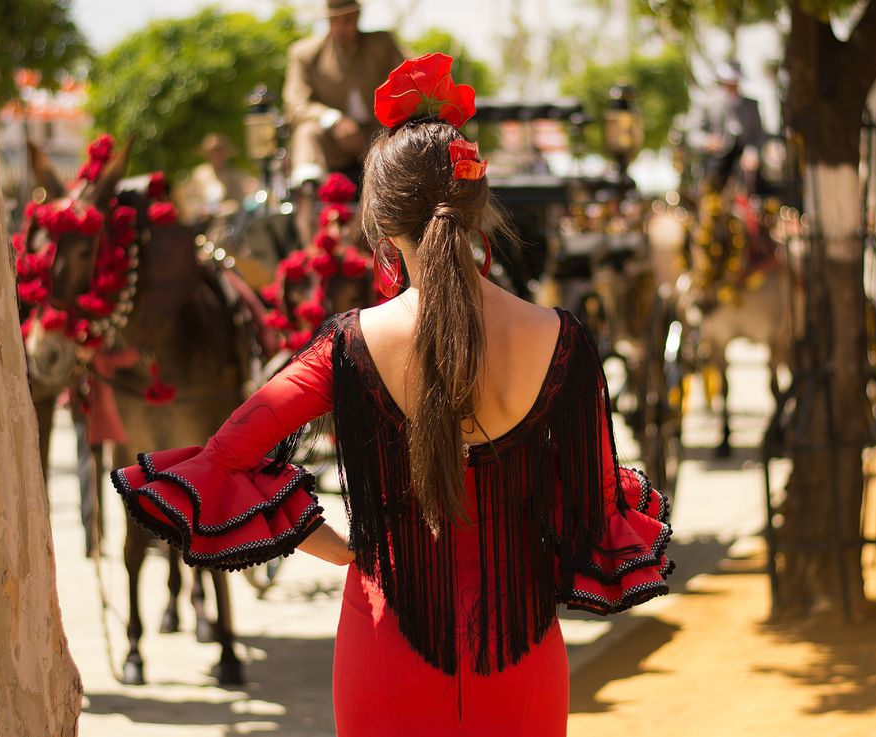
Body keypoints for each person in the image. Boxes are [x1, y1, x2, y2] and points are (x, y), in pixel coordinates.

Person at [111, 54, 673, 735]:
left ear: (378, 223)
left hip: (387, 642)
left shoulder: (349, 344)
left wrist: (339, 548)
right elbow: (592, 506)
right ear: (476, 203)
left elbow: (227, 454)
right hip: (519, 650)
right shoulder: (563, 338)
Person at [282, 0, 404, 186]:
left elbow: (411, 78)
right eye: (333, 21)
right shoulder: (305, 54)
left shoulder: (382, 44)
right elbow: (295, 105)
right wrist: (333, 120)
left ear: (357, 17)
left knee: (404, 137)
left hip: (378, 135)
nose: (340, 28)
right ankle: (309, 199)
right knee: (307, 133)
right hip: (332, 141)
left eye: (347, 20)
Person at [685, 61, 765, 193]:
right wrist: (706, 141)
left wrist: (753, 151)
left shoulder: (751, 105)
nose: (732, 86)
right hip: (716, 162)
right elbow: (692, 135)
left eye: (735, 82)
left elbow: (760, 134)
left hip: (744, 167)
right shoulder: (705, 104)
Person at [174, 133, 258, 225]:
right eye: (214, 151)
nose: (217, 154)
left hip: (233, 224)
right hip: (205, 225)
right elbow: (191, 203)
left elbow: (247, 201)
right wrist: (206, 210)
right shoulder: (199, 175)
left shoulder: (238, 175)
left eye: (221, 151)